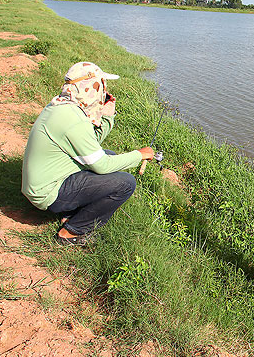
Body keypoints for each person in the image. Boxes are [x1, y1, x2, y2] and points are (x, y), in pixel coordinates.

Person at [21, 62, 154, 245]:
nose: (103, 92)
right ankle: (72, 232)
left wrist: (107, 115)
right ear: (88, 88)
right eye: (100, 86)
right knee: (125, 183)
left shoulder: (62, 106)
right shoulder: (73, 119)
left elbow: (91, 144)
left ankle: (70, 214)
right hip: (46, 194)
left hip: (43, 184)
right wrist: (139, 155)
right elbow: (102, 165)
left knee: (109, 154)